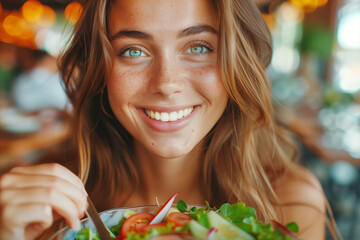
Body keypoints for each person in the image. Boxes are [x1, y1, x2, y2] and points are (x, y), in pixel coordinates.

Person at [0, 0, 336, 239]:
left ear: (239, 61)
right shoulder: (47, 204)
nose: (166, 83)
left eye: (199, 47)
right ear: (100, 69)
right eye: (133, 50)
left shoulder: (289, 203)